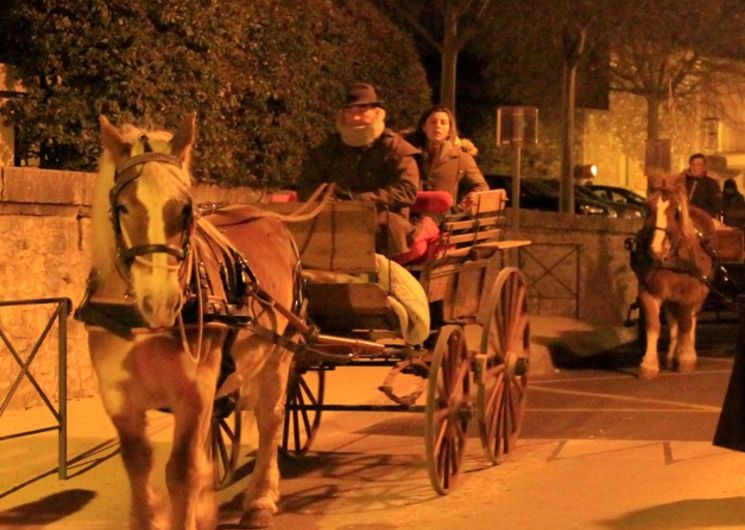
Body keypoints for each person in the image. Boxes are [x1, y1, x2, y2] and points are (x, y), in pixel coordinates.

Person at [298, 82, 420, 258]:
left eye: (362, 110)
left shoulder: (396, 148)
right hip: (334, 215)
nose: (355, 117)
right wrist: (325, 198)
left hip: (381, 216)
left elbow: (406, 190)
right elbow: (307, 184)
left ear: (376, 113)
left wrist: (359, 201)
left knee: (386, 226)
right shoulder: (328, 149)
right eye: (350, 111)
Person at [403, 105, 488, 210]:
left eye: (443, 123)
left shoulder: (461, 158)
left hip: (443, 221)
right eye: (433, 122)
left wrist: (470, 199)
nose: (437, 126)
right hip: (410, 218)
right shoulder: (408, 153)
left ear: (449, 129)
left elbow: (481, 186)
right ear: (424, 127)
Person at [681, 153, 721, 218]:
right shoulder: (683, 181)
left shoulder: (711, 184)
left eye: (698, 165)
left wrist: (697, 209)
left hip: (702, 219)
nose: (695, 168)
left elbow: (717, 207)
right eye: (693, 164)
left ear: (704, 167)